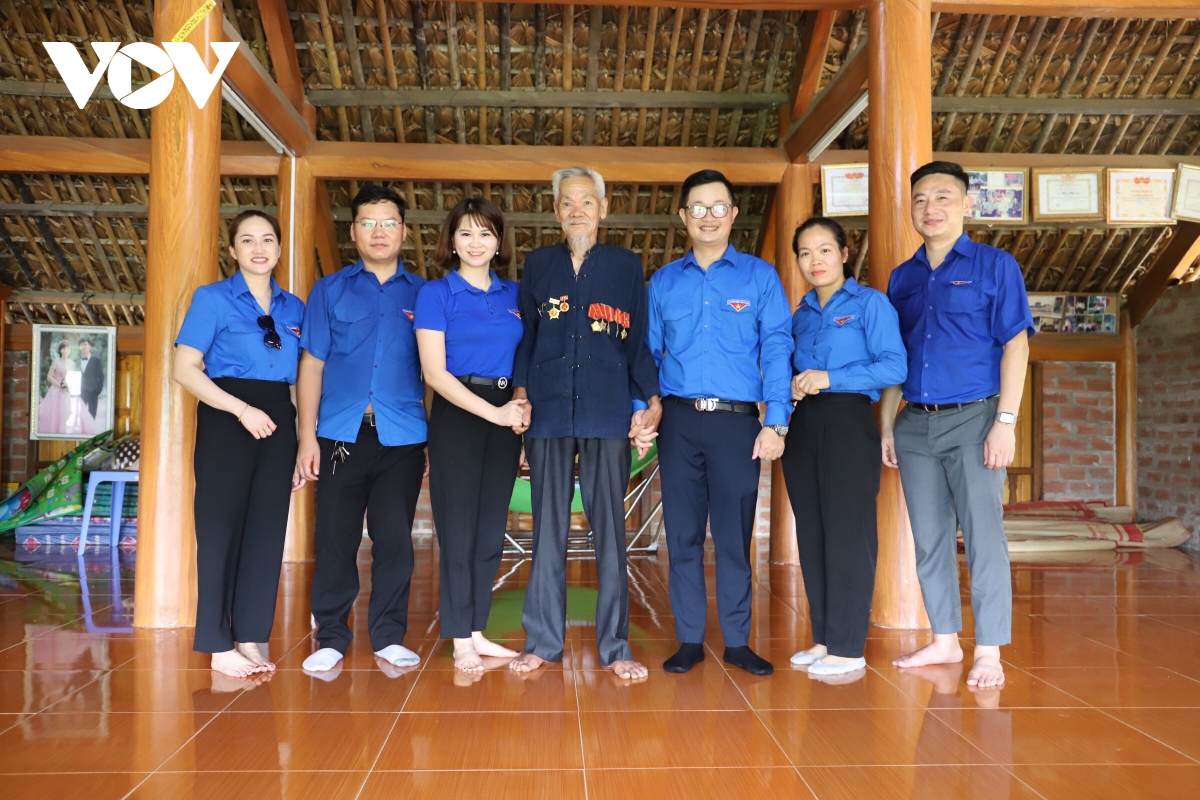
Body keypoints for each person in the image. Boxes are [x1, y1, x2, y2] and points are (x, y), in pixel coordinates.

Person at [881, 161, 1033, 689]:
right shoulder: (902, 277)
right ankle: (945, 639)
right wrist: (887, 427)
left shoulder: (996, 266)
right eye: (921, 199)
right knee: (929, 537)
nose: (931, 208)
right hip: (915, 425)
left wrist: (1005, 422)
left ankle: (988, 649)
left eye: (943, 197)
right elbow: (895, 360)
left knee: (984, 536)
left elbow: (1016, 345)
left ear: (966, 204)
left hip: (976, 419)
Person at [507, 166, 661, 681]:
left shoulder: (625, 265)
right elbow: (527, 337)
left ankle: (616, 647)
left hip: (607, 408)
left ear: (603, 209)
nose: (577, 211)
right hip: (548, 409)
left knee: (610, 531)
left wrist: (650, 400)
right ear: (557, 212)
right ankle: (542, 642)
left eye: (586, 202)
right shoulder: (539, 264)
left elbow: (636, 342)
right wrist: (521, 395)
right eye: (568, 203)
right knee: (547, 529)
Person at [641, 169, 793, 677]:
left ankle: (737, 642)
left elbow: (777, 347)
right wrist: (643, 408)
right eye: (698, 208)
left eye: (718, 207)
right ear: (683, 216)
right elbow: (648, 354)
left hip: (737, 424)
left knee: (733, 536)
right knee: (682, 536)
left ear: (733, 214)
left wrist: (777, 421)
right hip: (678, 422)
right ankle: (689, 639)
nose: (709, 217)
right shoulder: (663, 282)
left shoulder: (759, 277)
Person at [295, 184, 428, 674]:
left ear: (404, 232)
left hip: (403, 436)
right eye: (368, 223)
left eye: (389, 223)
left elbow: (435, 372)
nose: (379, 232)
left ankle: (388, 636)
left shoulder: (425, 294)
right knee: (335, 537)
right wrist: (306, 437)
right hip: (339, 435)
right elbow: (312, 365)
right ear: (353, 231)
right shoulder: (329, 290)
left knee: (394, 539)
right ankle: (331, 636)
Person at [173, 209, 306, 678]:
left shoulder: (295, 308)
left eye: (267, 239)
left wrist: (297, 441)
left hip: (279, 419)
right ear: (232, 250)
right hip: (228, 417)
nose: (258, 248)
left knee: (267, 531)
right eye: (247, 240)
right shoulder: (212, 298)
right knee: (219, 530)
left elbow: (299, 379)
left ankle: (250, 635)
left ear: (279, 248)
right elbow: (184, 368)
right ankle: (216, 643)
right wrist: (241, 410)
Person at [782, 217, 907, 677]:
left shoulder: (870, 304)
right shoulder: (799, 315)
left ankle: (850, 646)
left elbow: (895, 366)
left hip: (849, 420)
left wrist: (830, 377)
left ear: (844, 254)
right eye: (805, 253)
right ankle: (825, 638)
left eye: (824, 250)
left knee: (849, 534)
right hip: (804, 425)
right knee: (812, 533)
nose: (814, 260)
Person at [415, 198, 526, 672]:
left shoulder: (515, 294)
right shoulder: (436, 294)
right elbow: (434, 373)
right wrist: (494, 414)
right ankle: (460, 636)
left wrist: (517, 407)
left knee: (489, 532)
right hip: (458, 414)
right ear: (452, 241)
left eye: (485, 233)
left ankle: (477, 630)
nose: (475, 243)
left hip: (505, 414)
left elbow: (525, 359)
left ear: (498, 242)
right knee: (458, 531)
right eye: (466, 233)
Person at [38, 340, 74, 435]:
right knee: (54, 412)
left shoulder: (72, 363)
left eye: (68, 349)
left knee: (66, 412)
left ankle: (63, 432)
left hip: (67, 391)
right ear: (60, 350)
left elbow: (73, 377)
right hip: (56, 390)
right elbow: (49, 377)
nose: (66, 351)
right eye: (64, 349)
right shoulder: (56, 362)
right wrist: (59, 385)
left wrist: (69, 386)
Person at [78, 337, 105, 432]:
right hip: (80, 391)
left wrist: (98, 390)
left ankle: (90, 433)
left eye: (85, 344)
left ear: (89, 346)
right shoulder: (77, 360)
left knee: (92, 414)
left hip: (93, 391)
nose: (83, 347)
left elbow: (101, 376)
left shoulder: (96, 360)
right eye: (81, 345)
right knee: (80, 414)